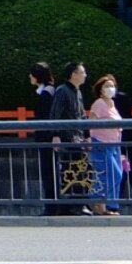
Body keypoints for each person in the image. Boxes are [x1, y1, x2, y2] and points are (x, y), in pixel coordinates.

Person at [50, 60, 92, 215]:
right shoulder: (62, 91)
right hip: (68, 137)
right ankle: (72, 205)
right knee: (70, 171)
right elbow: (55, 114)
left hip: (78, 137)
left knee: (82, 170)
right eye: (82, 72)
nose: (85, 75)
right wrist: (56, 135)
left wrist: (87, 135)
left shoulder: (78, 92)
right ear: (73, 74)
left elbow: (82, 115)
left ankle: (80, 203)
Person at [87, 74, 125, 215]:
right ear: (101, 90)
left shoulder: (112, 105)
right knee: (108, 173)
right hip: (101, 144)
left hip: (114, 145)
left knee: (117, 174)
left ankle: (109, 205)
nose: (110, 89)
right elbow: (91, 122)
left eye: (112, 86)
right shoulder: (99, 103)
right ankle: (96, 200)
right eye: (107, 86)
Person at [29, 61, 58, 214]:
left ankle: (52, 205)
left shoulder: (47, 94)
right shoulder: (50, 91)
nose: (30, 77)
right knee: (50, 172)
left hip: (47, 138)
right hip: (49, 137)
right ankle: (53, 204)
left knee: (49, 172)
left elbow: (48, 117)